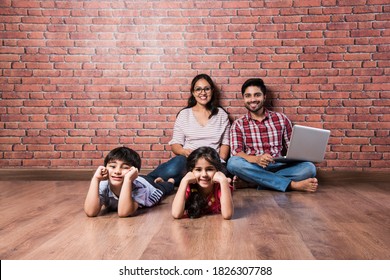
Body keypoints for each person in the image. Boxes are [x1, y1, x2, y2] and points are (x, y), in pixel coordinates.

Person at [227, 78, 318, 193]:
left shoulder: (281, 119)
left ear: (264, 97)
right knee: (233, 163)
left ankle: (254, 182)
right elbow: (236, 152)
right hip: (253, 166)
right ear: (243, 99)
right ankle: (292, 185)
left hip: (278, 165)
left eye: (257, 95)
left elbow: (292, 147)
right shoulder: (238, 124)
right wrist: (257, 159)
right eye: (248, 96)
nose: (252, 99)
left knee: (309, 168)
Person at [147, 74, 231, 185]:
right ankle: (147, 180)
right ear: (193, 92)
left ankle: (172, 181)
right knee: (175, 167)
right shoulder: (184, 114)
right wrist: (184, 152)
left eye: (207, 89)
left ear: (212, 91)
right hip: (189, 160)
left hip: (212, 161)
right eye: (198, 89)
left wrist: (217, 160)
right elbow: (175, 145)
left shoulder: (221, 115)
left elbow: (225, 144)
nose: (203, 93)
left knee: (218, 175)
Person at [84, 146, 174, 217]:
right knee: (150, 177)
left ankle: (170, 181)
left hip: (148, 185)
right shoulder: (104, 185)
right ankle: (158, 178)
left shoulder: (139, 188)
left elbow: (124, 212)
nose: (117, 171)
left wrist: (128, 179)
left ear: (133, 171)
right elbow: (90, 212)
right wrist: (96, 179)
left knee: (166, 187)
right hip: (138, 178)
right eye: (112, 166)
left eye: (125, 167)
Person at [171, 146, 234, 220]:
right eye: (198, 170)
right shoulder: (189, 187)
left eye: (209, 169)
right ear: (191, 172)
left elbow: (227, 215)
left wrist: (223, 181)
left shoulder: (221, 187)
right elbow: (176, 214)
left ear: (217, 171)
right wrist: (184, 181)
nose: (204, 175)